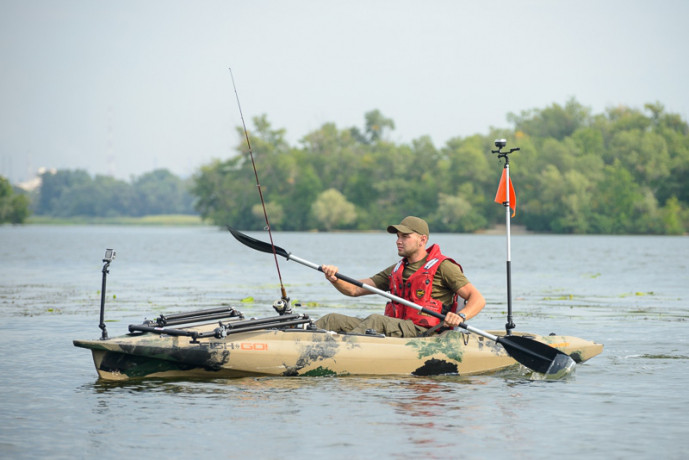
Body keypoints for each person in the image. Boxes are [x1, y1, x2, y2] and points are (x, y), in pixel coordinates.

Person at [314, 216, 485, 337]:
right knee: (332, 320)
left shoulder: (444, 267)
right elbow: (354, 290)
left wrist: (460, 316)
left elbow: (477, 299)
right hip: (397, 327)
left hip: (424, 332)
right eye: (397, 236)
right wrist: (334, 278)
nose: (398, 241)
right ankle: (296, 340)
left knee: (376, 321)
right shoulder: (395, 270)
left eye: (405, 236)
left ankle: (340, 352)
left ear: (422, 240)